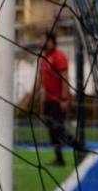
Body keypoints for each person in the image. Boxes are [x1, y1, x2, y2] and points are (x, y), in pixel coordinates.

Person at [35, 31, 83, 165]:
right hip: (48, 100)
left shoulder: (58, 56)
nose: (40, 42)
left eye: (42, 39)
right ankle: (59, 158)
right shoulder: (43, 58)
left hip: (58, 100)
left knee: (58, 128)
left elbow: (64, 78)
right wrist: (33, 97)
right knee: (52, 129)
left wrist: (64, 99)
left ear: (50, 40)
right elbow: (40, 80)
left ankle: (80, 148)